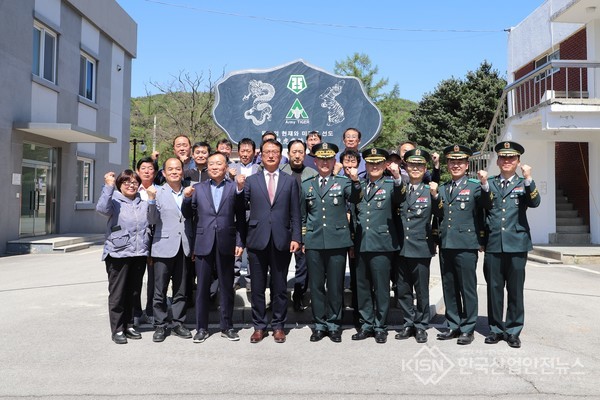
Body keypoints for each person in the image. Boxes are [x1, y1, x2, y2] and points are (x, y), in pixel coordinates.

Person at [181, 152, 247, 343]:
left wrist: (240, 242)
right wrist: (186, 199)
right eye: (211, 164)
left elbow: (241, 216)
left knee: (227, 286)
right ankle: (201, 328)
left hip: (227, 242)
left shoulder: (234, 187)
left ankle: (227, 326)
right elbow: (188, 215)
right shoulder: (198, 188)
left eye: (219, 164)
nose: (215, 167)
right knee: (201, 287)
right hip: (203, 243)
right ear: (207, 167)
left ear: (226, 167)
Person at [301, 142, 361, 343]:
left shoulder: (343, 182)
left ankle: (334, 324)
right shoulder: (306, 184)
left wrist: (355, 181)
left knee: (335, 286)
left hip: (337, 241)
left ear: (334, 161)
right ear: (315, 161)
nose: (325, 162)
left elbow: (355, 198)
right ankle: (319, 324)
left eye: (329, 159)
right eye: (321, 159)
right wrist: (303, 238)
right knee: (316, 286)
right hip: (314, 241)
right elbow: (302, 215)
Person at [483, 141, 540, 349]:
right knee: (494, 289)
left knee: (515, 290)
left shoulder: (523, 183)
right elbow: (484, 212)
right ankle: (496, 329)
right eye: (503, 158)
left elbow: (535, 203)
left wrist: (528, 179)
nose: (507, 161)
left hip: (517, 244)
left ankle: (514, 330)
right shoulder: (489, 183)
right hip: (494, 245)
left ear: (518, 162)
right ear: (498, 161)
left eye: (512, 158)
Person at [244, 139, 301, 343]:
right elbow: (241, 208)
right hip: (257, 240)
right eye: (267, 152)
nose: (270, 155)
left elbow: (295, 212)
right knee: (257, 287)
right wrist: (240, 189)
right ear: (260, 154)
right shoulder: (251, 180)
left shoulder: (289, 180)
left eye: (274, 152)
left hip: (281, 240)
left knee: (279, 287)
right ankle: (259, 326)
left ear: (280, 155)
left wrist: (296, 237)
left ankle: (278, 325)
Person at [435, 145, 491, 345]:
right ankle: (453, 324)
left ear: (467, 165)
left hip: (466, 245)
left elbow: (486, 205)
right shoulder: (442, 188)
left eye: (460, 162)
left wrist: (485, 184)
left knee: (467, 288)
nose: (456, 165)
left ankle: (468, 328)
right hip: (446, 244)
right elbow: (438, 216)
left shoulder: (476, 186)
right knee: (449, 287)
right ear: (448, 165)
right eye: (452, 162)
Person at [352, 148, 404, 344]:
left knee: (381, 288)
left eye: (378, 163)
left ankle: (381, 326)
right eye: (371, 163)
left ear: (384, 165)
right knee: (363, 287)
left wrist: (398, 176)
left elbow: (400, 197)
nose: (374, 166)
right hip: (361, 242)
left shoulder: (391, 185)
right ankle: (366, 325)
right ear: (366, 165)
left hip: (382, 244)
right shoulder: (358, 185)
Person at [96, 170, 149, 344]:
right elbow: (101, 209)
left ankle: (129, 325)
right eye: (126, 182)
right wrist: (108, 186)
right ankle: (117, 329)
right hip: (118, 254)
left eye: (134, 182)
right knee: (118, 293)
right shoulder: (114, 201)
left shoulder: (142, 203)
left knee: (133, 292)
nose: (131, 185)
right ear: (119, 184)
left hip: (139, 253)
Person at [395, 149, 441, 344]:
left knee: (421, 290)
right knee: (403, 289)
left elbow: (440, 214)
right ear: (406, 167)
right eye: (412, 165)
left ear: (424, 168)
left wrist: (436, 195)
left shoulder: (428, 189)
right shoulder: (400, 188)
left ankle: (421, 325)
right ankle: (408, 322)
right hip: (400, 247)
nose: (415, 169)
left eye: (419, 166)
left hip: (421, 246)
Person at [146, 158, 194, 342]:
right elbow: (151, 220)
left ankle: (178, 323)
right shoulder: (157, 192)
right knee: (160, 290)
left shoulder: (189, 191)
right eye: (170, 169)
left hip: (184, 246)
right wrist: (150, 200)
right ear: (164, 173)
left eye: (178, 169)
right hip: (163, 247)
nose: (174, 172)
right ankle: (160, 325)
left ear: (182, 171)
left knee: (181, 290)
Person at [281, 139, 318, 311]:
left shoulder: (312, 173)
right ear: (288, 154)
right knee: (279, 266)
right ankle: (278, 298)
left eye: (300, 152)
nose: (297, 155)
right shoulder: (281, 172)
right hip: (283, 225)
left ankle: (299, 296)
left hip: (304, 225)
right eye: (294, 152)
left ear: (305, 154)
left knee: (302, 266)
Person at [229, 138, 261, 291]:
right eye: (242, 151)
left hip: (254, 212)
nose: (245, 154)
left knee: (252, 248)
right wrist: (231, 178)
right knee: (236, 245)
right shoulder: (231, 168)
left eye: (248, 151)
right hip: (236, 213)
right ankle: (234, 278)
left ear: (254, 153)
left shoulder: (259, 168)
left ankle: (250, 279)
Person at [133, 157, 157, 327]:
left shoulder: (160, 190)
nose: (147, 171)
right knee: (135, 278)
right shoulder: (132, 189)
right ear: (137, 171)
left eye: (150, 168)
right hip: (137, 241)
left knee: (154, 279)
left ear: (155, 172)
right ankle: (136, 311)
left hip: (156, 240)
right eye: (143, 168)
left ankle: (150, 310)